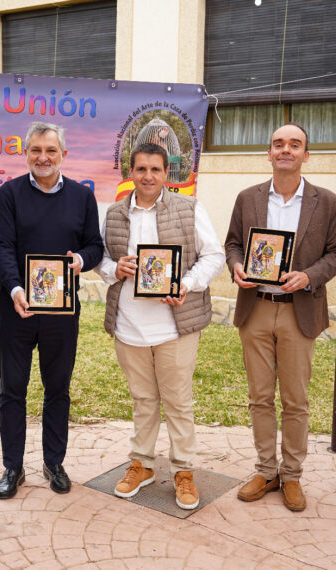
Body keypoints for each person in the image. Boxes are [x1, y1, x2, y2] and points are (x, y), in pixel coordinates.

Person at [224, 123, 336, 512]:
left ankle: (291, 475)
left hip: (300, 312)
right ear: (270, 152)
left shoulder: (326, 202)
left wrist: (309, 276)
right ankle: (265, 470)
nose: (286, 150)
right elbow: (233, 244)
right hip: (256, 307)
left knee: (295, 400)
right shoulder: (248, 198)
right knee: (259, 398)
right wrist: (237, 266)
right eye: (278, 144)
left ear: (306, 154)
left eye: (295, 144)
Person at [98, 143, 225, 509]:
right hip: (129, 325)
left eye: (155, 170)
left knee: (178, 402)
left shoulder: (188, 209)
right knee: (143, 400)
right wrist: (113, 269)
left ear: (166, 174)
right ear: (131, 172)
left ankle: (183, 469)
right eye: (141, 169)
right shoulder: (116, 213)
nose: (148, 176)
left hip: (174, 326)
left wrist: (186, 284)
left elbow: (213, 254)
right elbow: (104, 259)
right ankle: (143, 464)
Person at [0, 121, 104, 499]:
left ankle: (54, 462)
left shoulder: (83, 198)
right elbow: (1, 247)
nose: (43, 157)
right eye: (35, 150)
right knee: (13, 390)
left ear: (63, 155)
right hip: (16, 307)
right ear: (26, 154)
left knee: (58, 389)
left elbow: (94, 246)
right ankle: (13, 466)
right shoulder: (9, 194)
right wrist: (16, 287)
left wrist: (81, 260)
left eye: (50, 150)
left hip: (61, 312)